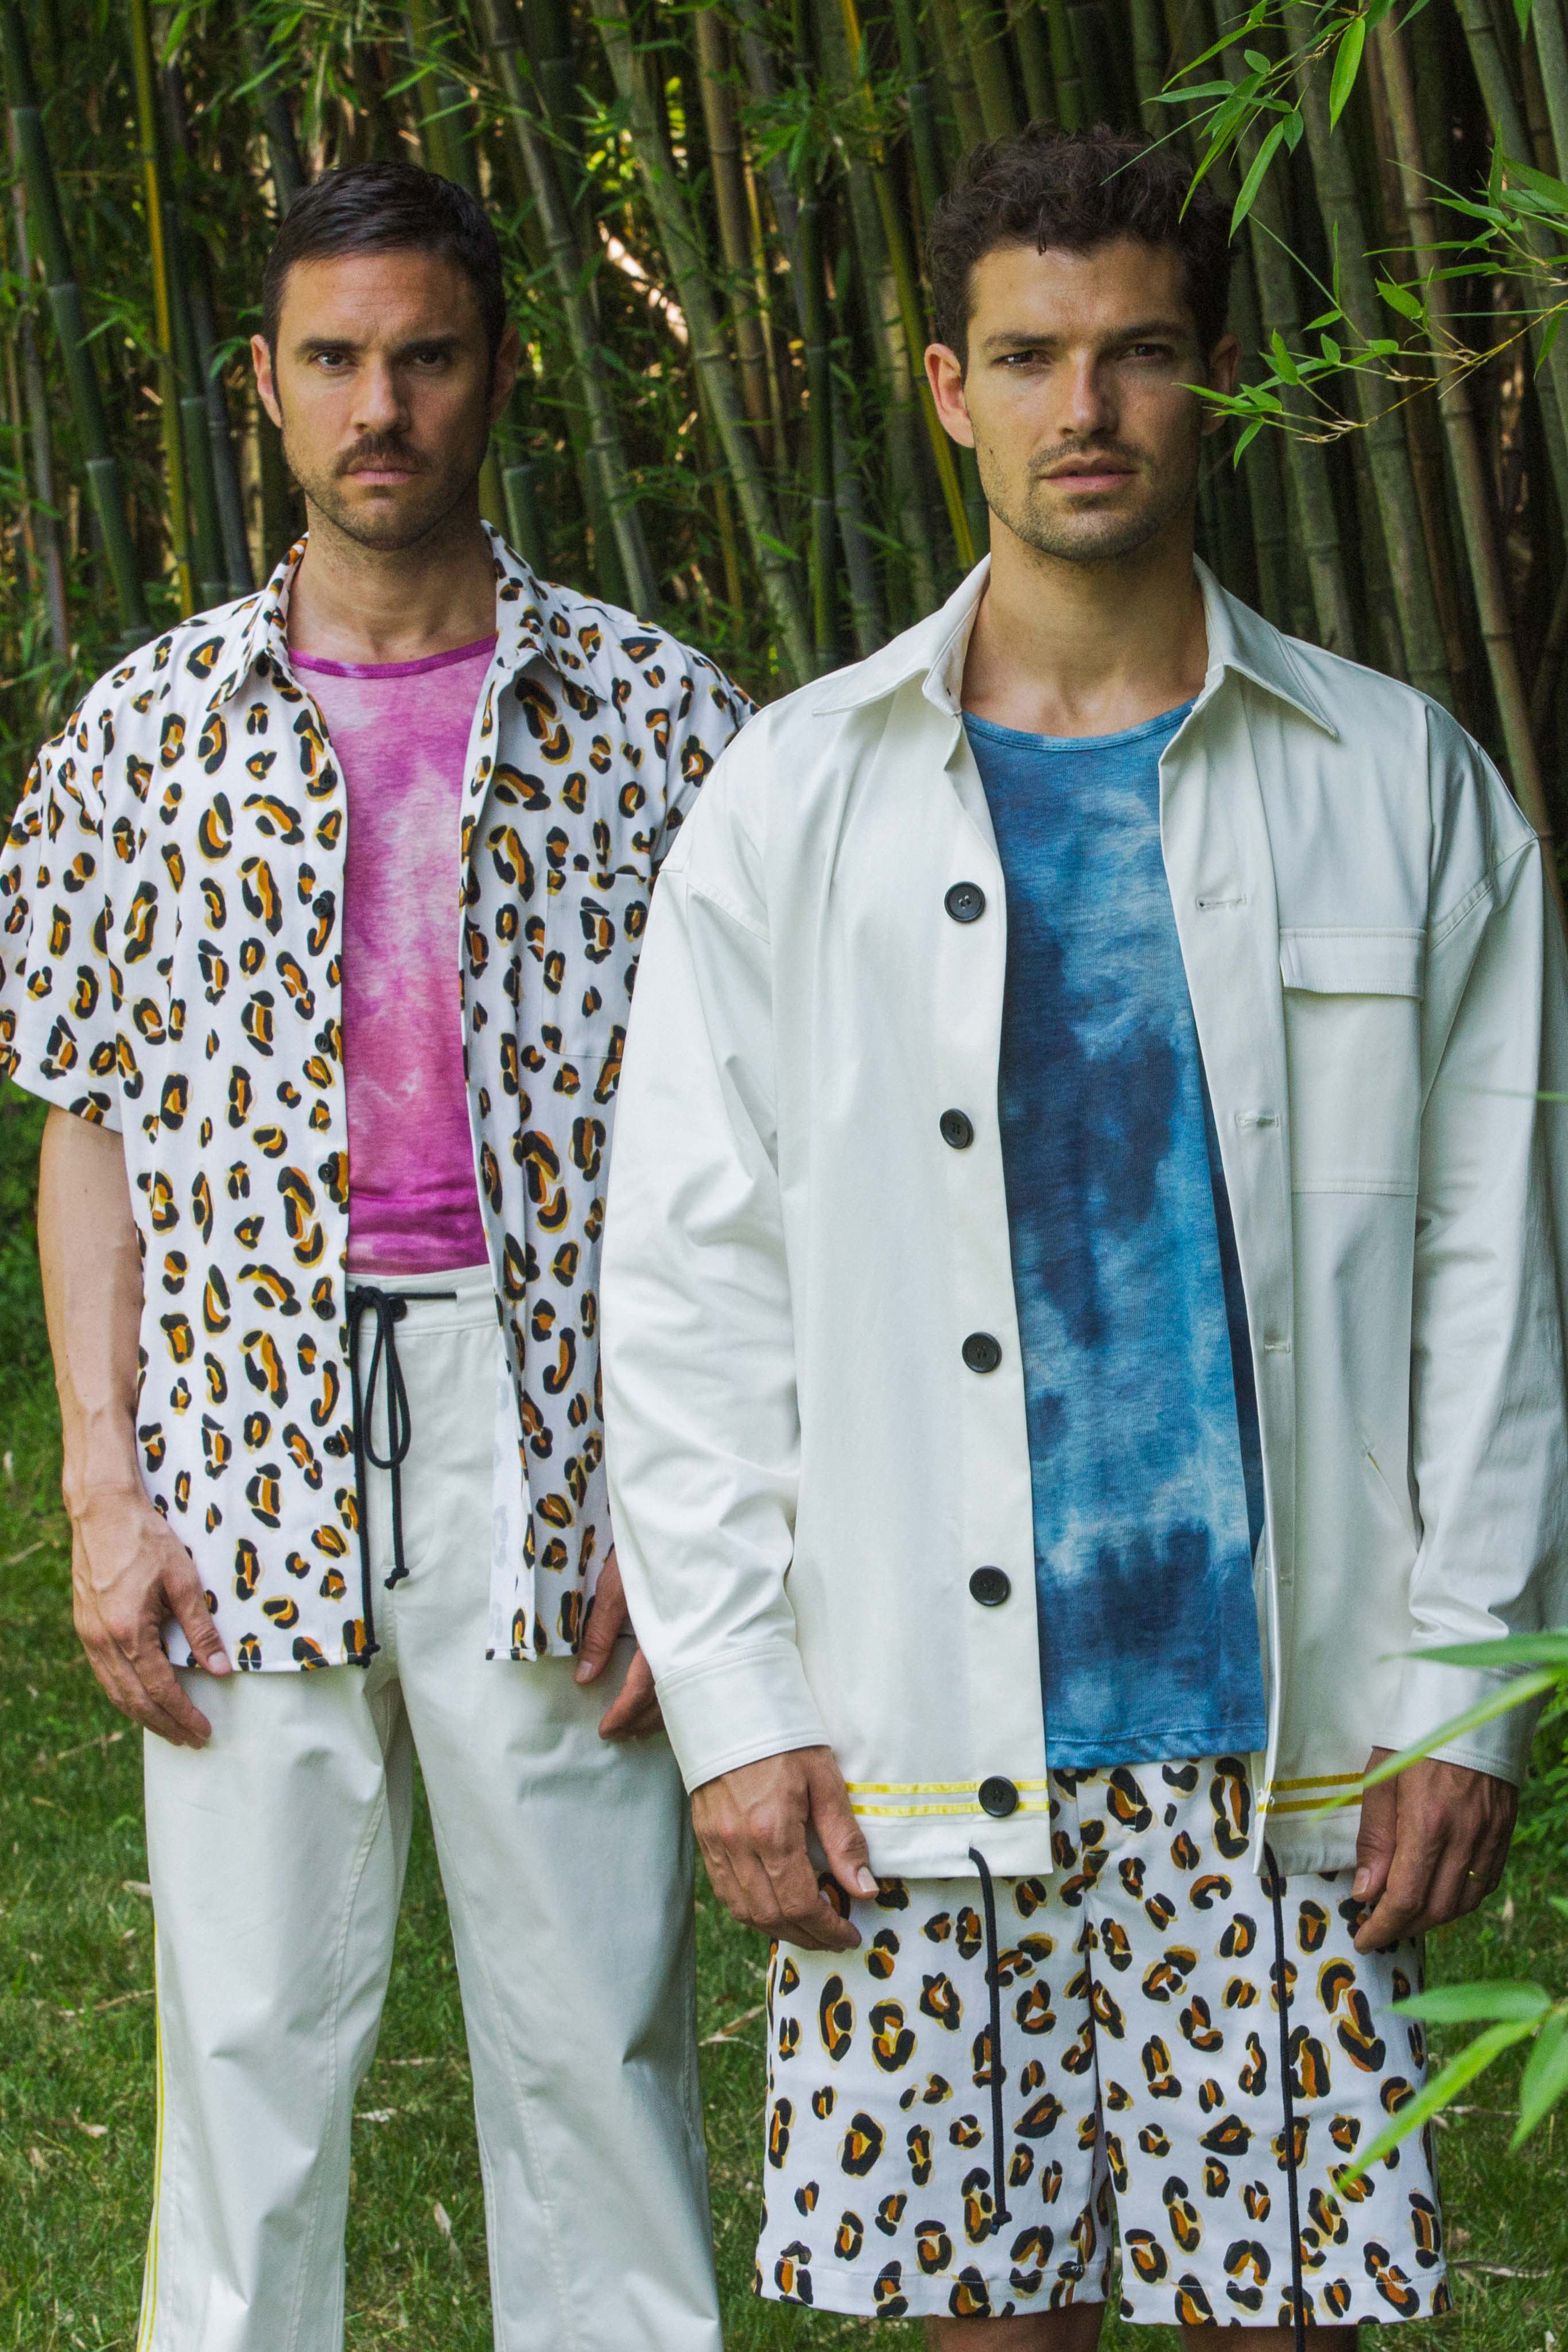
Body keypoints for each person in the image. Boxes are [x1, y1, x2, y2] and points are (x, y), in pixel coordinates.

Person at [600, 126, 1568, 2346]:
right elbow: (685, 1289)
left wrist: (1471, 1689)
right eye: (1030, 356)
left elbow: (1491, 1277)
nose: (1087, 408)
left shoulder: (1397, 782)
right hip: (915, 1722)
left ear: (1211, 371)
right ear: (948, 387)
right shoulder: (792, 798)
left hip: (1289, 1716)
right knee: (989, 2320)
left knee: (1281, 2313)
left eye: (1136, 350)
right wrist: (737, 1707)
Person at [0, 159, 750, 2351]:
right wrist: (102, 1483)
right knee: (243, 2055)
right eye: (333, 359)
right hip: (242, 1432)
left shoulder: (664, 724)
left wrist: (699, 1505)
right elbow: (87, 1126)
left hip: (562, 1434)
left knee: (596, 2043)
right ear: (262, 382)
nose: (380, 406)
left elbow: (757, 1154)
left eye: (423, 356)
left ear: (497, 370)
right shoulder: (138, 738)